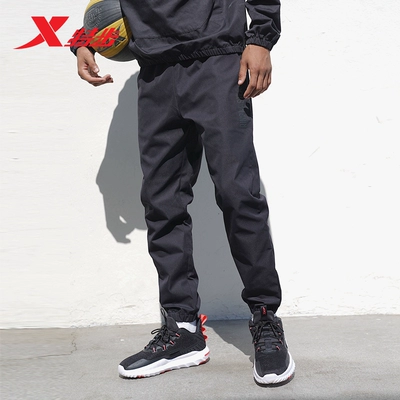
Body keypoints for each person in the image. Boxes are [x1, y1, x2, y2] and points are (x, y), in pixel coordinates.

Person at [73, 0, 295, 387]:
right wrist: (85, 39)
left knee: (239, 194)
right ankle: (182, 328)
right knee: (162, 202)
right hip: (156, 68)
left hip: (218, 57)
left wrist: (260, 38)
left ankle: (265, 317)